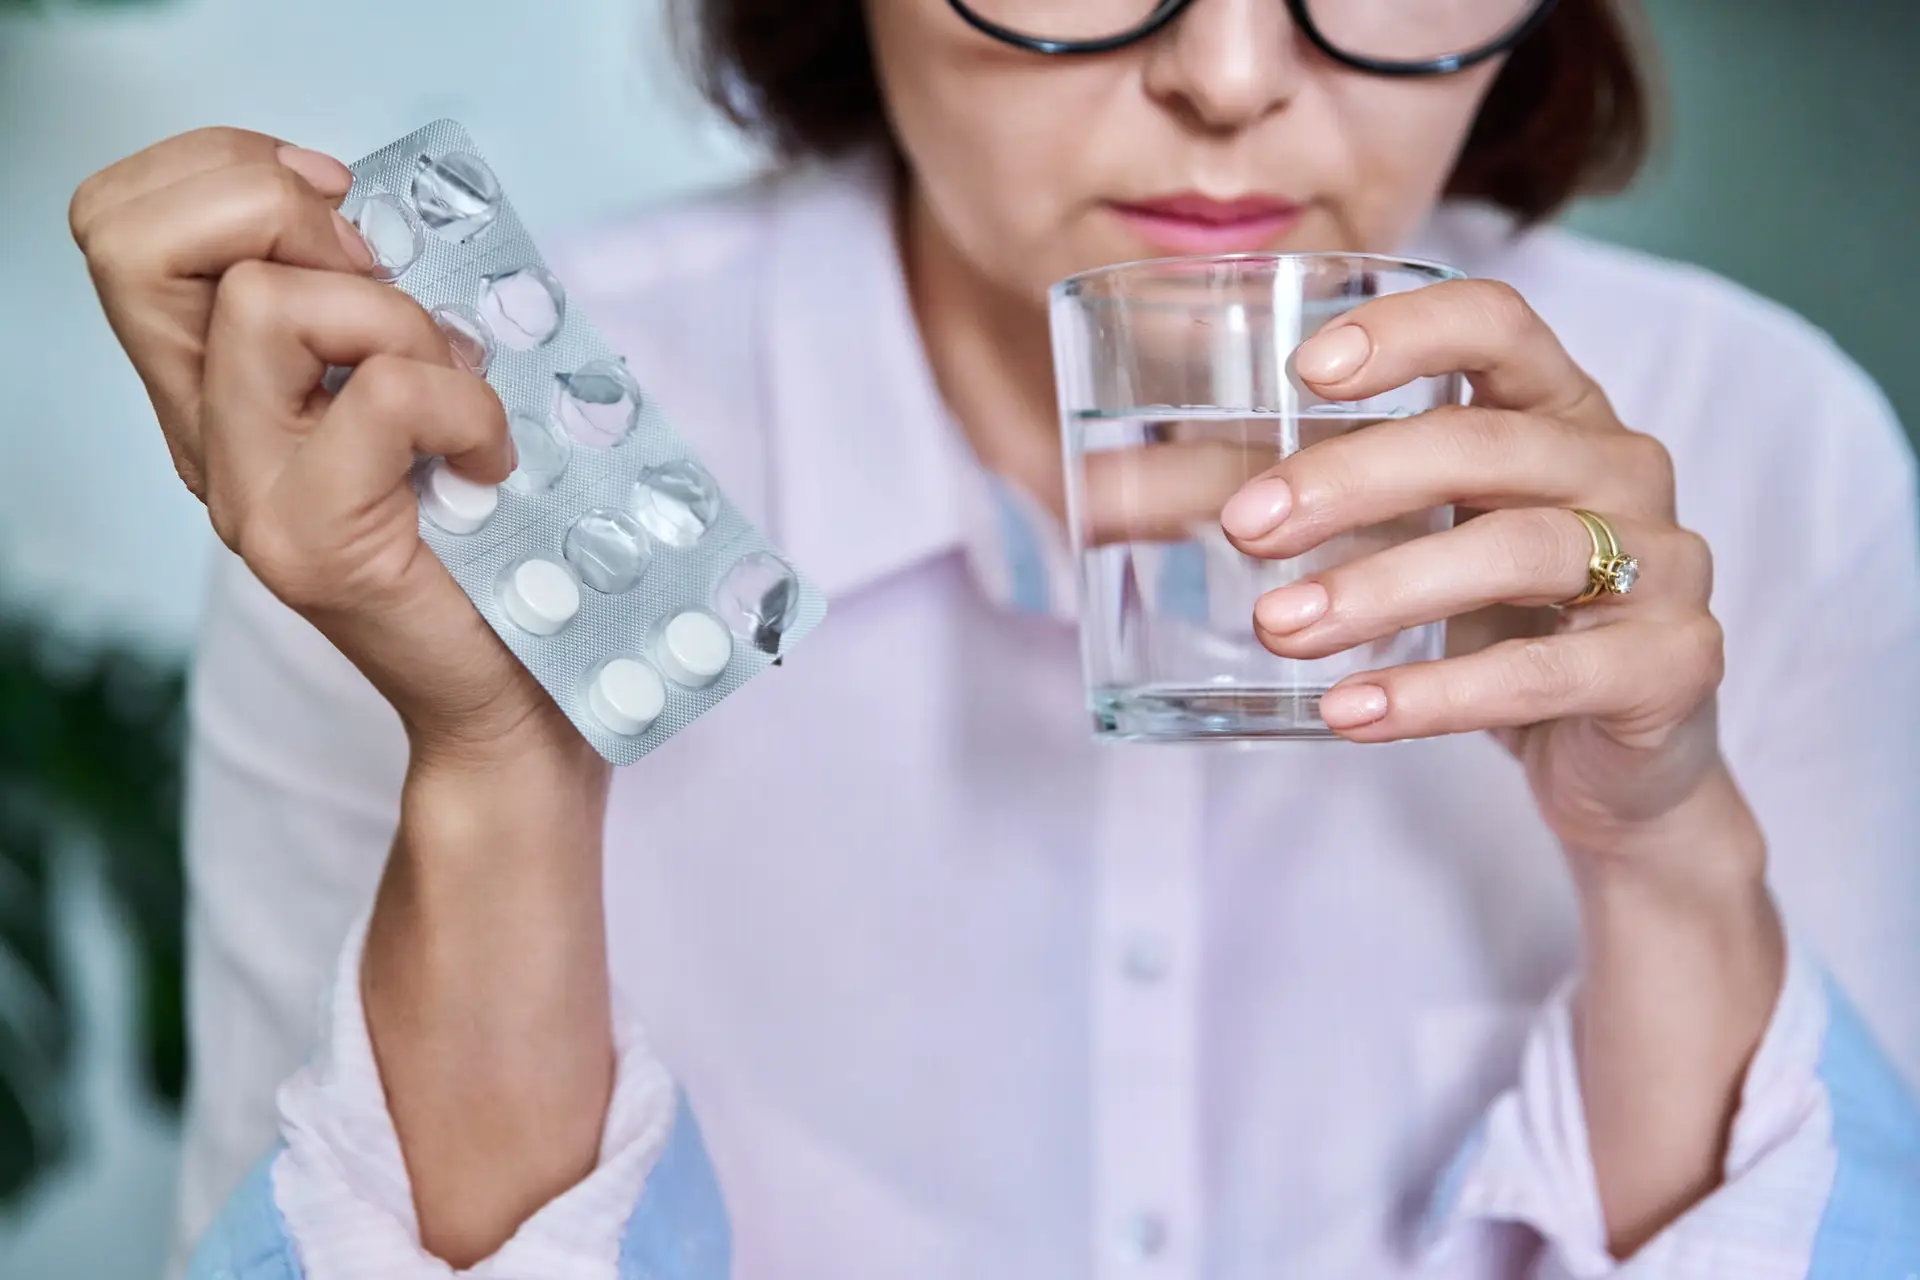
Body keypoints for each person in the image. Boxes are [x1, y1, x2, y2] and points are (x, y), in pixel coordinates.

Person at [69, 0, 1920, 1274]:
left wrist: (1665, 848)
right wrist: (503, 767)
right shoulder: (445, 473)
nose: (1231, 72)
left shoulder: (1749, 444)